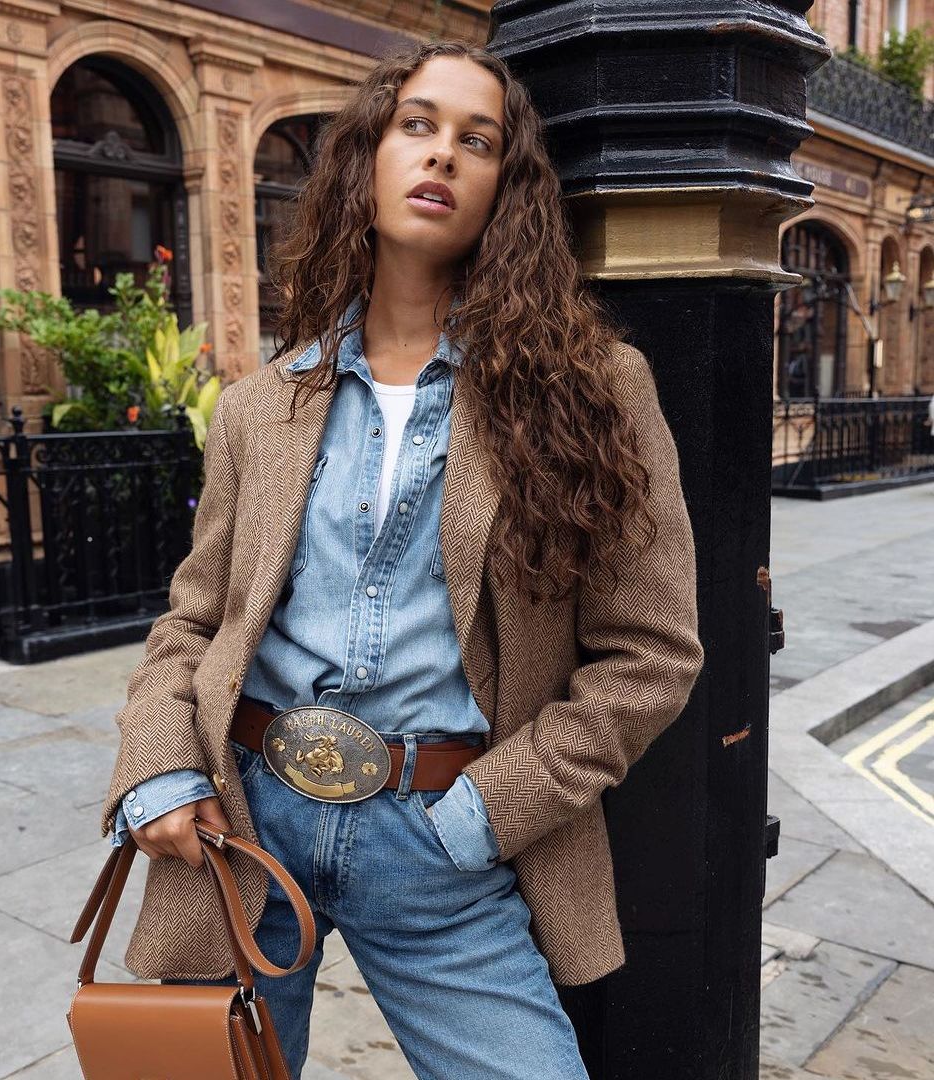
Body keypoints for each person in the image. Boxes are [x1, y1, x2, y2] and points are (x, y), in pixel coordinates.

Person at [99, 38, 704, 1080]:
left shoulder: (592, 388)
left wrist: (486, 814)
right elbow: (193, 620)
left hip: (437, 840)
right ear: (366, 157)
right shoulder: (263, 403)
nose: (442, 156)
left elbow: (651, 655)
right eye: (417, 125)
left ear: (506, 191)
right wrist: (155, 766)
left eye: (479, 142)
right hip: (245, 823)